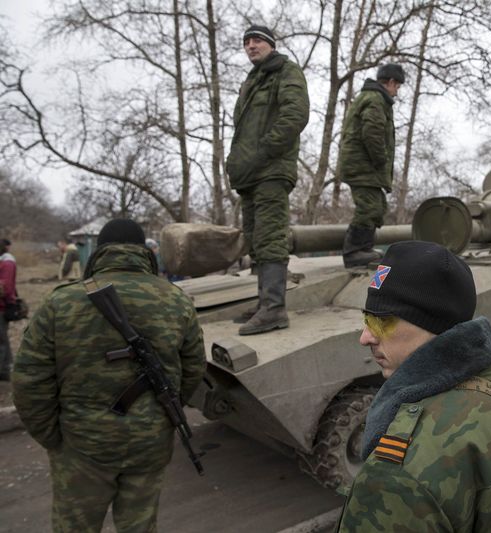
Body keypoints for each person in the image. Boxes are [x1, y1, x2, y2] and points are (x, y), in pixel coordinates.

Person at [336, 241, 491, 532]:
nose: (365, 337)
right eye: (366, 318)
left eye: (382, 321)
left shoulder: (398, 474)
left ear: (431, 323)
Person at [12, 219, 206, 532]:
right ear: (145, 252)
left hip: (82, 445)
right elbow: (194, 367)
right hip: (150, 443)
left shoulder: (61, 302)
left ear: (99, 252)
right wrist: (162, 413)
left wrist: (54, 437)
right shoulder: (177, 299)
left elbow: (29, 380)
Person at [226, 24, 309, 336]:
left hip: (271, 170)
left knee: (271, 234)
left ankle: (274, 309)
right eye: (246, 41)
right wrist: (236, 163)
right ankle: (264, 303)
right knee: (255, 236)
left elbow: (295, 114)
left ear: (271, 44)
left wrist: (264, 151)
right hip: (249, 174)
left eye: (257, 40)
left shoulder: (286, 71)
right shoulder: (252, 81)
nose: (250, 45)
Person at [338, 63, 405, 268]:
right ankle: (353, 252)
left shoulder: (374, 98)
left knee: (377, 207)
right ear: (391, 82)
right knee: (368, 207)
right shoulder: (375, 99)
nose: (397, 91)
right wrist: (381, 161)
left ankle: (364, 249)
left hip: (364, 166)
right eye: (398, 86)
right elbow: (372, 133)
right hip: (363, 166)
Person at [0, 238, 17, 381]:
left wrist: (10, 302)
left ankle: (4, 371)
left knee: (2, 339)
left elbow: (6, 287)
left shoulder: (7, 262)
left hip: (2, 306)